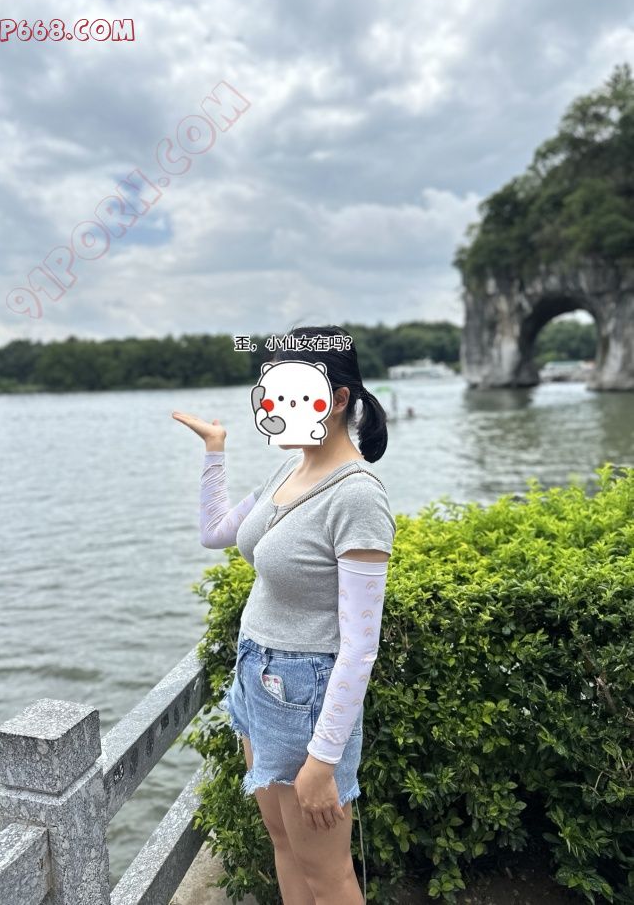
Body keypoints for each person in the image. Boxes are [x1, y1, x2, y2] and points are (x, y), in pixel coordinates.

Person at [172, 324, 396, 905]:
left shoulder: (358, 496)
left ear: (338, 398)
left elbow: (360, 646)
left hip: (307, 695)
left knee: (328, 873)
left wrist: (323, 759)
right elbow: (216, 532)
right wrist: (215, 450)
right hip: (257, 678)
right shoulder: (289, 469)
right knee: (284, 845)